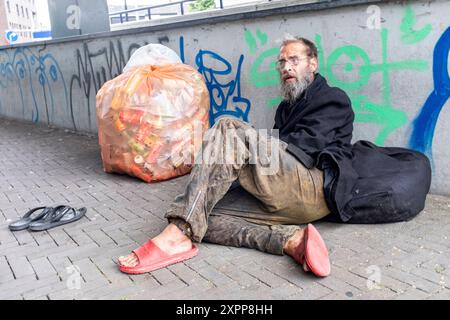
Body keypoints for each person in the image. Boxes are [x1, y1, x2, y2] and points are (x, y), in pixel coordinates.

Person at [117, 37, 431, 278]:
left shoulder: (333, 98)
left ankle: (175, 235)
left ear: (313, 63)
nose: (286, 68)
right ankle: (288, 241)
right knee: (202, 211)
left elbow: (306, 147)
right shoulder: (285, 108)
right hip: (286, 194)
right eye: (281, 63)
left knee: (228, 128)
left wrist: (253, 146)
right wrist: (250, 155)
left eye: (294, 60)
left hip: (314, 187)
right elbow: (278, 152)